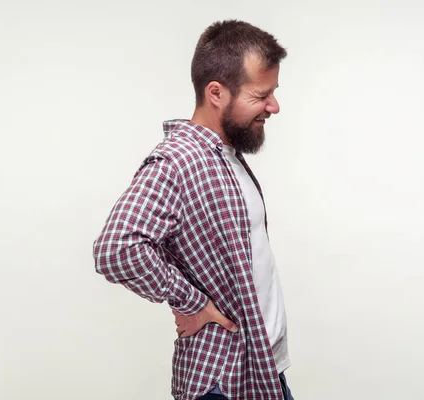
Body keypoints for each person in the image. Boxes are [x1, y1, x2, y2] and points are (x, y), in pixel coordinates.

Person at [93, 19, 294, 400]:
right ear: (216, 92)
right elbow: (116, 248)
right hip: (225, 380)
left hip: (261, 372)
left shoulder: (225, 157)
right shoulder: (178, 161)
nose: (274, 106)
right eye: (261, 95)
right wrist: (193, 302)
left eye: (274, 92)